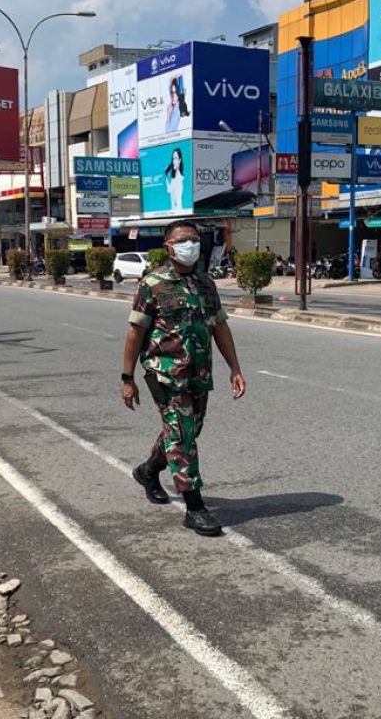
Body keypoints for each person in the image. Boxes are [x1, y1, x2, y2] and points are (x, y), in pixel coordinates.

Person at [121, 219, 247, 537]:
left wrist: (235, 368)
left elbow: (220, 326)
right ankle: (194, 507)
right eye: (183, 240)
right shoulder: (153, 284)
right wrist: (127, 377)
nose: (190, 244)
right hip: (165, 374)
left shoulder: (206, 284)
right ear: (168, 247)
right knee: (182, 435)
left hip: (199, 373)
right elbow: (136, 331)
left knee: (189, 430)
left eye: (194, 239)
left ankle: (149, 471)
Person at [166, 147, 186, 212]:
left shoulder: (179, 178)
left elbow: (169, 190)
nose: (174, 161)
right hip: (174, 212)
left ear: (180, 160)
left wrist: (166, 176)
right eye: (173, 159)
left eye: (176, 158)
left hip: (178, 212)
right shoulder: (174, 179)